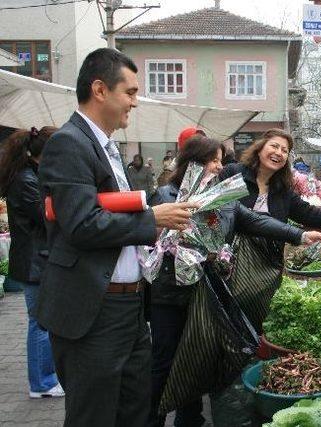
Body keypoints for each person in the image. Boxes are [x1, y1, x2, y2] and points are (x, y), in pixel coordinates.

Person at [37, 47, 199, 426]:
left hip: (128, 307)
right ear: (99, 89)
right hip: (94, 311)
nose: (135, 102)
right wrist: (151, 220)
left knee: (133, 410)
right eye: (129, 92)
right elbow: (81, 224)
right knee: (93, 415)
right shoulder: (69, 143)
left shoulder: (107, 147)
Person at [147, 135, 321, 427]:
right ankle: (151, 420)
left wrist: (300, 235)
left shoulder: (220, 198)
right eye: (212, 161)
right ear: (193, 164)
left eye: (220, 160)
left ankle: (189, 419)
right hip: (170, 295)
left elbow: (256, 221)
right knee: (164, 361)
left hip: (204, 292)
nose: (219, 167)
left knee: (193, 357)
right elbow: (149, 238)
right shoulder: (166, 197)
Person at [217, 128, 321, 330]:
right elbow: (228, 215)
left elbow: (311, 214)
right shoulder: (233, 173)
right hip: (230, 267)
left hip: (267, 271)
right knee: (229, 324)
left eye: (284, 150)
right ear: (260, 148)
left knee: (258, 327)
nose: (279, 153)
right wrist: (298, 235)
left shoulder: (282, 191)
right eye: (274, 146)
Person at [0, 126, 64, 398]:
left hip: (38, 259)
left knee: (42, 321)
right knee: (39, 322)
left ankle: (46, 378)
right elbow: (46, 217)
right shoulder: (26, 180)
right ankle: (41, 383)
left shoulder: (31, 175)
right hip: (34, 261)